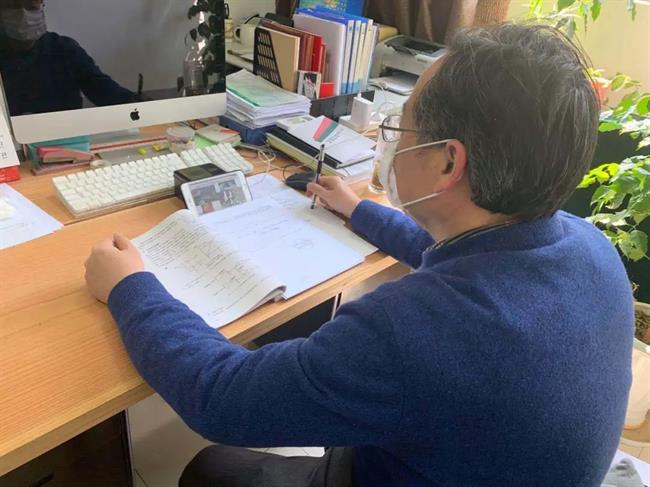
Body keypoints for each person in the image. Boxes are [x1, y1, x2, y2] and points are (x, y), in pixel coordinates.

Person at [84, 23, 634, 487]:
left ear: (448, 162)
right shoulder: (588, 248)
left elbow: (222, 398)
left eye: (401, 127)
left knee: (211, 469)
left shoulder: (413, 330)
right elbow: (459, 256)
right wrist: (359, 210)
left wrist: (130, 287)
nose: (391, 143)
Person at [0, 0, 138, 116]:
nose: (23, 15)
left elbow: (102, 88)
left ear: (42, 7)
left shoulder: (64, 49)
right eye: (12, 7)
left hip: (67, 135)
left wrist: (138, 105)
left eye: (31, 6)